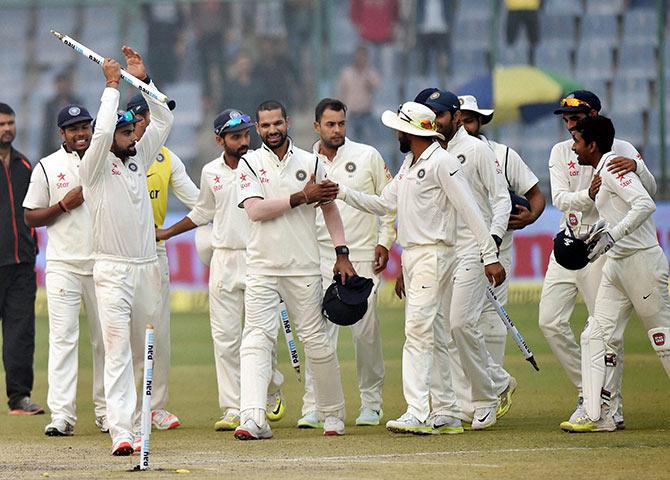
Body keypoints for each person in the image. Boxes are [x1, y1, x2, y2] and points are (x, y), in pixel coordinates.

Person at [334, 101, 504, 434]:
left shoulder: (442, 162)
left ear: (411, 130)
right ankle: (446, 410)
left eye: (399, 127)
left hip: (434, 254)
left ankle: (418, 411)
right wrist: (341, 192)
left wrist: (489, 256)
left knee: (417, 332)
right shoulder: (411, 162)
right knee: (437, 334)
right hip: (415, 256)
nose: (395, 132)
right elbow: (385, 202)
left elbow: (471, 211)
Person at [156, 109, 286, 432]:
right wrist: (167, 232)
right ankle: (232, 407)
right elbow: (203, 211)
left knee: (259, 335)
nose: (243, 142)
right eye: (235, 137)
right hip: (223, 259)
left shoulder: (261, 163)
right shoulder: (211, 171)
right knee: (225, 338)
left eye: (245, 135)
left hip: (258, 258)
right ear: (219, 140)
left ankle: (270, 391)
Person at [234, 100, 353, 439]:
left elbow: (329, 209)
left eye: (277, 123)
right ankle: (254, 418)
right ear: (258, 129)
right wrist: (301, 195)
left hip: (302, 268)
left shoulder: (312, 161)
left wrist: (341, 253)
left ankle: (332, 414)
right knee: (256, 339)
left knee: (316, 341)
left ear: (287, 122)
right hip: (261, 267)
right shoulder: (250, 163)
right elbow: (255, 211)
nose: (272, 130)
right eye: (265, 126)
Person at [539, 90, 657, 430]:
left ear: (595, 115)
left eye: (575, 117)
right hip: (568, 241)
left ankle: (610, 406)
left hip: (602, 244)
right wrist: (586, 195)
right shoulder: (561, 152)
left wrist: (637, 165)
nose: (569, 123)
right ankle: (587, 391)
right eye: (565, 117)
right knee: (549, 320)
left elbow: (646, 190)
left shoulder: (621, 148)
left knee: (604, 331)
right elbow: (560, 198)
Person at [78, 48, 173, 455]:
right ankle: (121, 432)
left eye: (133, 130)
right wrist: (113, 87)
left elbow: (165, 117)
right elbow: (100, 135)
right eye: (124, 131)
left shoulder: (139, 154)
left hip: (146, 268)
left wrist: (141, 80)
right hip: (113, 270)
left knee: (144, 351)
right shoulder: (94, 166)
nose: (132, 136)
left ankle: (140, 423)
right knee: (117, 351)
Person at [561, 116, 670, 432]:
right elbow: (617, 214)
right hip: (618, 266)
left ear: (592, 145)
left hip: (642, 264)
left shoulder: (610, 167)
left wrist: (615, 234)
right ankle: (598, 415)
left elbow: (645, 204)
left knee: (663, 340)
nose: (574, 146)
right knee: (594, 336)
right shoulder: (601, 170)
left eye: (578, 141)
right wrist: (598, 233)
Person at [413, 89, 510, 430]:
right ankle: (483, 388)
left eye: (440, 114)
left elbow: (501, 201)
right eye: (428, 114)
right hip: (440, 251)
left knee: (459, 324)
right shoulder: (421, 152)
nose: (434, 121)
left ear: (455, 116)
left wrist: (491, 246)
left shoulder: (476, 149)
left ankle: (486, 396)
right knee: (443, 330)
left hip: (473, 248)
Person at [297, 98, 395, 429]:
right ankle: (315, 404)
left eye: (341, 124)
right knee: (317, 332)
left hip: (364, 254)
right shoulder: (302, 163)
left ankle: (372, 403)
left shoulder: (367, 156)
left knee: (364, 331)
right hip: (319, 256)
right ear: (316, 126)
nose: (337, 130)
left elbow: (390, 203)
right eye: (330, 125)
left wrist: (385, 240)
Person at [458, 93, 546, 417]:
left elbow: (536, 195)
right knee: (461, 324)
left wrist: (531, 217)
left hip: (499, 248)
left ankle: (488, 401)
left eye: (470, 119)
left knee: (490, 325)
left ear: (480, 121)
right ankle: (491, 387)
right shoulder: (444, 153)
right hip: (460, 249)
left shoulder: (503, 155)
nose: (464, 125)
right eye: (460, 119)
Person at [23, 104, 107, 436]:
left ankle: (107, 411)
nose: (81, 133)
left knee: (107, 342)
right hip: (63, 265)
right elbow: (30, 216)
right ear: (62, 134)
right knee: (63, 339)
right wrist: (62, 205)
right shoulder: (48, 166)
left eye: (85, 127)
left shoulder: (106, 159)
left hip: (104, 263)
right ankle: (62, 415)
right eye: (74, 129)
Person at [126, 93, 200, 431]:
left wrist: (169, 231)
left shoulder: (166, 157)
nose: (151, 123)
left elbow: (200, 201)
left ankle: (155, 408)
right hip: (117, 252)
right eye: (146, 117)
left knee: (159, 331)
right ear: (133, 120)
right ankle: (115, 409)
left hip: (153, 252)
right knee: (115, 336)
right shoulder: (112, 155)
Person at [0, 102, 42, 416]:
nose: (7, 129)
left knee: (21, 333)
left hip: (21, 264)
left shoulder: (25, 165)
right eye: (1, 124)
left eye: (10, 123)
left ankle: (19, 398)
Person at [336, 46, 380, 145]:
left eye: (362, 56)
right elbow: (340, 92)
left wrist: (365, 73)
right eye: (358, 56)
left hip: (366, 114)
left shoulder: (370, 72)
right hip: (351, 114)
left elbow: (376, 85)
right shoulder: (347, 73)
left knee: (368, 144)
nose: (360, 59)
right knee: (350, 143)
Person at [40, 72, 83, 158]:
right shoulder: (50, 105)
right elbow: (47, 128)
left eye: (64, 84)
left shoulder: (77, 103)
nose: (62, 87)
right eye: (60, 84)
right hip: (54, 146)